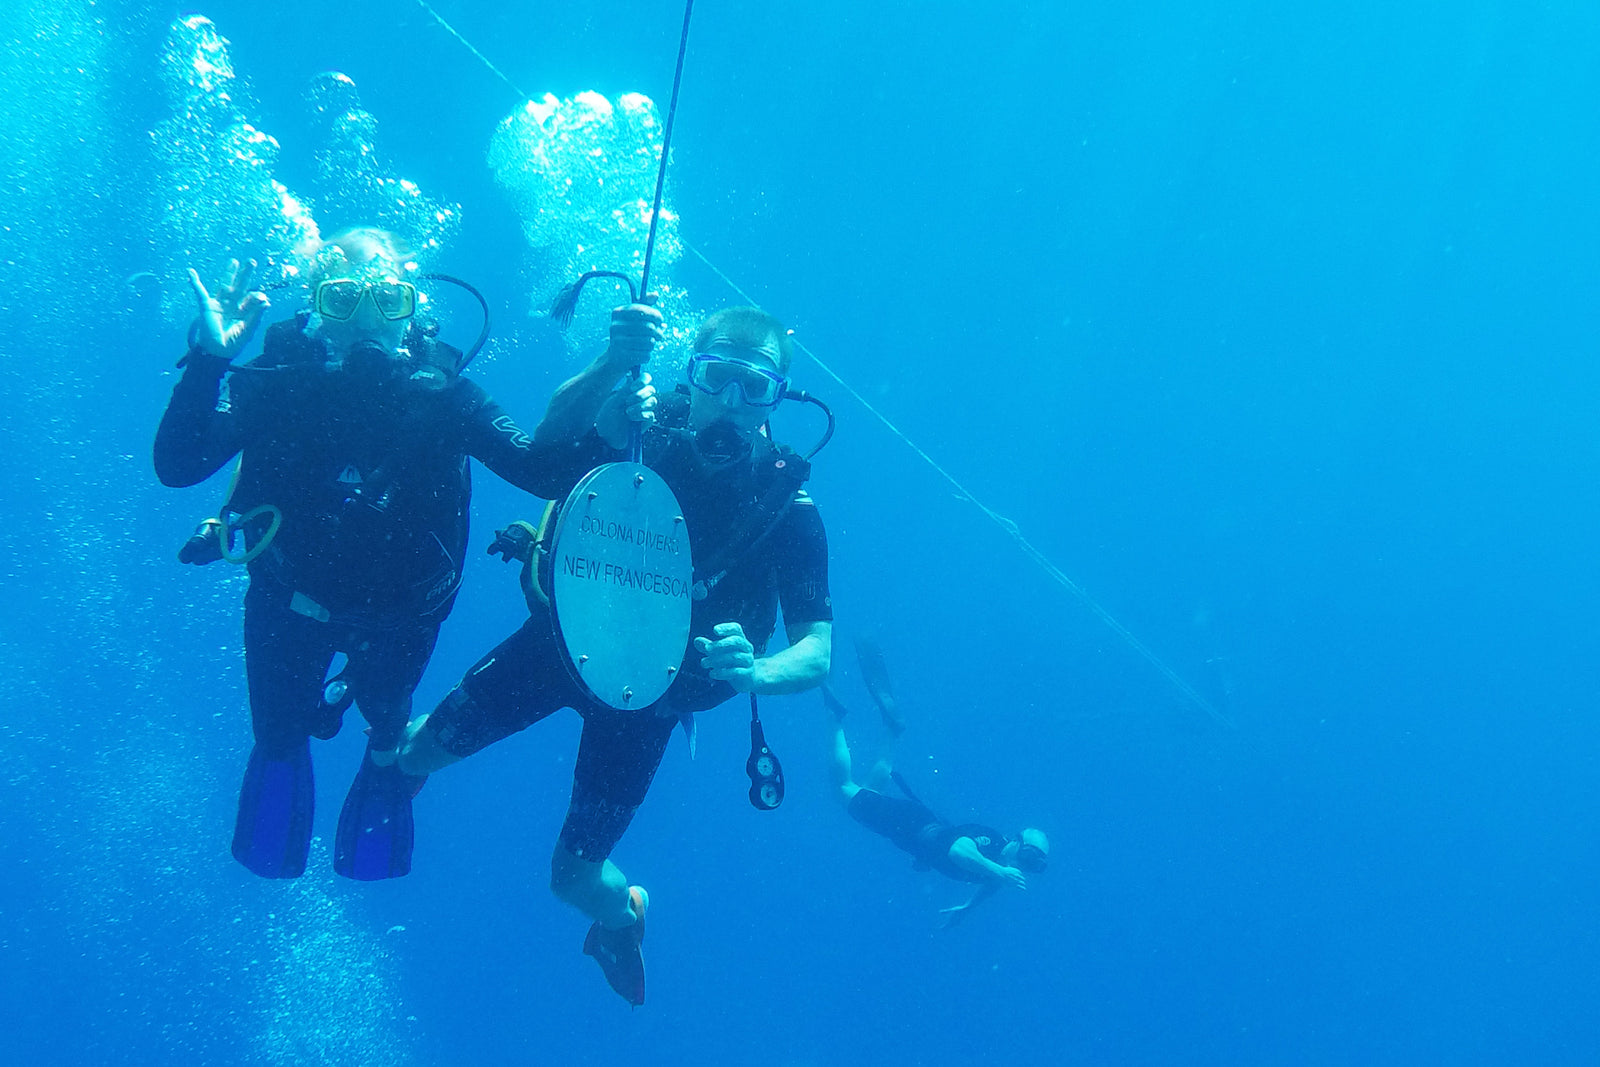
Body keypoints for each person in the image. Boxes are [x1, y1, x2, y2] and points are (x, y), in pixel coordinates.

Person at [396, 303, 834, 1005]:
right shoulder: (636, 433)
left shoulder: (786, 506)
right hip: (559, 648)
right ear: (690, 374)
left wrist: (758, 672)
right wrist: (607, 365)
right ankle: (416, 766)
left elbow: (816, 653)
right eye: (718, 375)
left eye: (756, 387)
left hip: (652, 699)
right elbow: (544, 450)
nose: (732, 400)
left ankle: (622, 915)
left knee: (572, 878)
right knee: (412, 752)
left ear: (778, 400)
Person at [154, 227, 551, 882]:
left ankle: (387, 759)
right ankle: (353, 765)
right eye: (343, 299)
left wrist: (615, 404)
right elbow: (178, 463)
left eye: (387, 300)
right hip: (286, 602)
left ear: (414, 310)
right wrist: (208, 361)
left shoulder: (444, 396)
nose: (366, 320)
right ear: (314, 308)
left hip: (400, 619)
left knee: (388, 727)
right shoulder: (280, 381)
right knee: (278, 737)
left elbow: (538, 469)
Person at [823, 641, 1049, 928]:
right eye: (1027, 856)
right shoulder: (990, 842)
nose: (1024, 866)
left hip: (914, 824)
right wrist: (999, 872)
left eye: (1034, 865)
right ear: (1015, 841)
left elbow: (991, 882)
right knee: (843, 789)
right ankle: (834, 718)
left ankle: (891, 731)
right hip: (905, 823)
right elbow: (958, 851)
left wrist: (968, 906)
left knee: (871, 790)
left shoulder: (1001, 865)